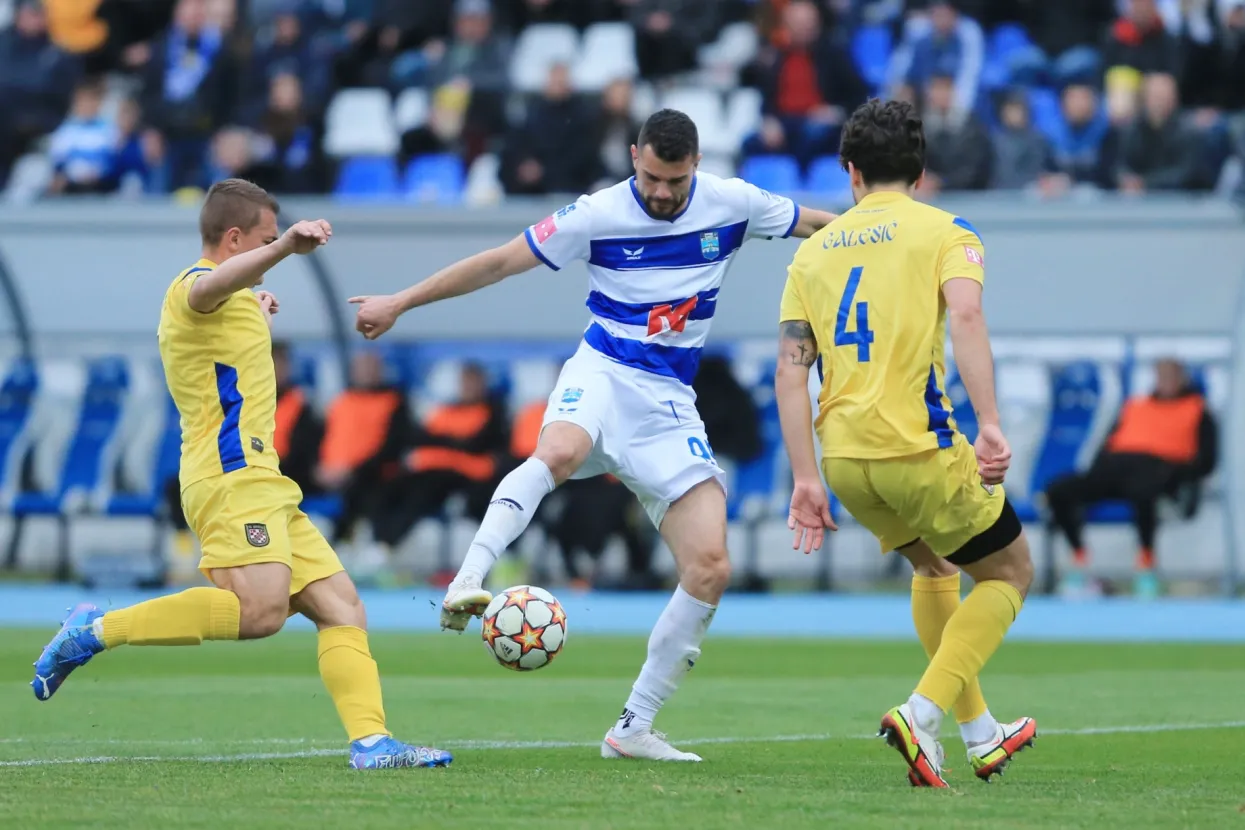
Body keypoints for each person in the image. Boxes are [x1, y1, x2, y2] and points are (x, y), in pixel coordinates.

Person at [351, 108, 837, 762]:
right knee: (557, 451)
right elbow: (497, 264)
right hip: (603, 371)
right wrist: (400, 302)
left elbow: (821, 228)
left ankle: (632, 728)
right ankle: (468, 579)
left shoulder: (733, 203)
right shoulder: (596, 214)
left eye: (675, 179)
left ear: (696, 164)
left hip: (667, 402)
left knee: (710, 567)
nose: (661, 192)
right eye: (651, 176)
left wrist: (894, 242)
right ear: (633, 155)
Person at [31, 179, 451, 772]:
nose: (273, 248)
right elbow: (210, 287)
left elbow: (227, 309)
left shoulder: (235, 297)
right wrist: (282, 253)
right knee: (260, 614)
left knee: (342, 608)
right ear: (235, 238)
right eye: (264, 239)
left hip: (264, 481)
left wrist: (256, 300)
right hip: (227, 477)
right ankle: (97, 628)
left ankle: (372, 743)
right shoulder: (190, 286)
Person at [774, 99, 1035, 788]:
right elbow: (969, 314)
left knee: (934, 571)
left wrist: (804, 478)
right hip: (915, 447)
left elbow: (789, 371)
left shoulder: (812, 250)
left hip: (843, 460)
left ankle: (979, 733)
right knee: (1009, 573)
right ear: (919, 170)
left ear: (849, 171)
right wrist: (988, 422)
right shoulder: (945, 231)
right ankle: (921, 712)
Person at [1045, 358, 1217, 598]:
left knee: (1144, 491)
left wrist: (1175, 474)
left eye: (1171, 376)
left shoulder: (1198, 409)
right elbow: (1107, 445)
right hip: (1116, 467)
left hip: (1159, 469)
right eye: (1161, 375)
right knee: (1058, 490)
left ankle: (1146, 564)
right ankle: (1079, 559)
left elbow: (1206, 461)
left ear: (1183, 379)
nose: (1165, 382)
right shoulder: (1135, 406)